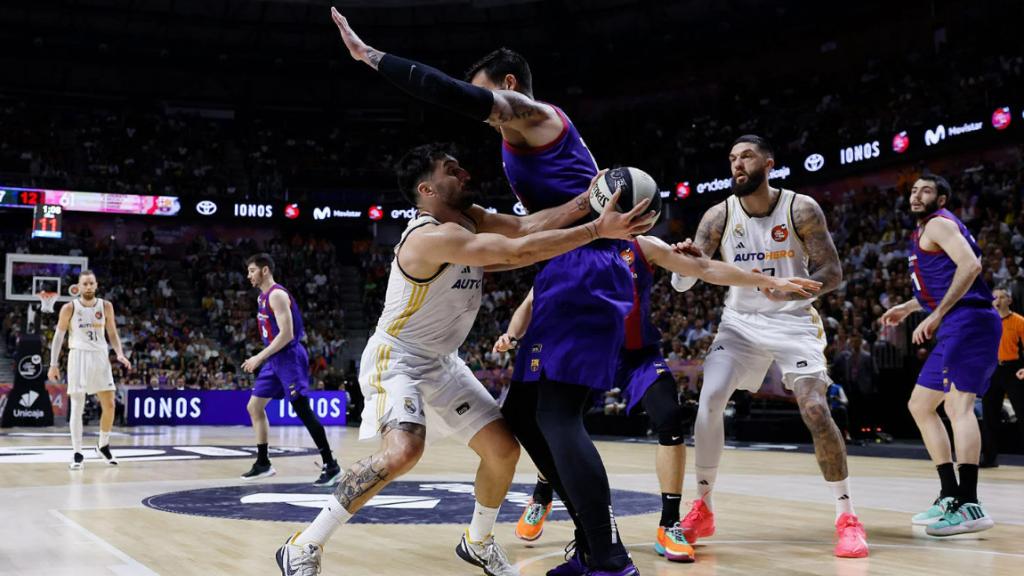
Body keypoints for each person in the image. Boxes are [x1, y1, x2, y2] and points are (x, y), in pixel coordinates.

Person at [328, 10, 647, 575]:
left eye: (481, 98)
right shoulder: (513, 148)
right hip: (567, 263)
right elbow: (531, 228)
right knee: (522, 415)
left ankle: (607, 557)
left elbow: (452, 97)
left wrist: (371, 57)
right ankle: (593, 545)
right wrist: (591, 215)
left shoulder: (536, 117)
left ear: (507, 88)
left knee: (557, 415)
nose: (475, 113)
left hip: (584, 266)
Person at [275, 144, 652, 576]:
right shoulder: (430, 237)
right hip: (396, 358)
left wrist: (590, 199)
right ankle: (304, 545)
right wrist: (596, 231)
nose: (466, 174)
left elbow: (525, 226)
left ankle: (477, 542)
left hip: (442, 362)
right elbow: (516, 253)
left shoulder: (470, 217)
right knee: (403, 451)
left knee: (503, 451)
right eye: (452, 170)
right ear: (427, 188)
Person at [496, 236, 821, 563]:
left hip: (636, 356)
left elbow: (705, 268)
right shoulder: (574, 247)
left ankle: (669, 523)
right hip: (589, 351)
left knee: (669, 416)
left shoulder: (643, 247)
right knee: (558, 423)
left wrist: (766, 279)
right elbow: (531, 300)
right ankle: (543, 491)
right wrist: (511, 335)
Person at [671, 135, 868, 558]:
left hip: (794, 323)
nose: (737, 164)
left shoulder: (800, 208)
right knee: (708, 399)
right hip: (740, 325)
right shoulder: (718, 215)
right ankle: (702, 505)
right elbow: (687, 280)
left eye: (746, 156)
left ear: (768, 163)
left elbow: (831, 271)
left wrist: (793, 294)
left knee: (815, 409)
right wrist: (683, 263)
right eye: (731, 158)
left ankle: (847, 515)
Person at [880, 173, 1000, 536]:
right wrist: (909, 306)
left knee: (957, 406)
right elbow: (945, 280)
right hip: (955, 321)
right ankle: (949, 495)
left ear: (942, 199)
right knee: (920, 405)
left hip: (970, 321)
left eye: (926, 190)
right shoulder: (927, 230)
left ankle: (970, 504)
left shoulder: (939, 224)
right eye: (914, 190)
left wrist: (935, 314)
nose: (917, 195)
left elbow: (971, 267)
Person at [239, 253, 341, 487]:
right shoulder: (261, 298)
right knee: (254, 407)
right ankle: (263, 463)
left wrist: (258, 357)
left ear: (265, 270)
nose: (249, 275)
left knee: (302, 410)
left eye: (252, 270)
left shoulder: (276, 295)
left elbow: (287, 334)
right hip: (275, 359)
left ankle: (331, 464)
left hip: (289, 358)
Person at [48, 271, 131, 470]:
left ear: (96, 285)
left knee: (110, 403)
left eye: (91, 283)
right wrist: (53, 364)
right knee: (78, 405)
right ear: (78, 286)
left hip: (101, 357)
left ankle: (102, 445)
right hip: (78, 356)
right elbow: (59, 337)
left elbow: (111, 331)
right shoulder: (69, 308)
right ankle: (77, 452)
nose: (87, 287)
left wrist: (119, 353)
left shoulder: (106, 306)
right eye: (84, 283)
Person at [981, 289, 1024, 467]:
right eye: (995, 297)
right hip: (991, 370)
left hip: (1013, 370)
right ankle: (990, 458)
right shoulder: (986, 321)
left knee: (1022, 413)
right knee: (989, 415)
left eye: (1002, 297)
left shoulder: (1019, 321)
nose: (998, 300)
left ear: (1010, 300)